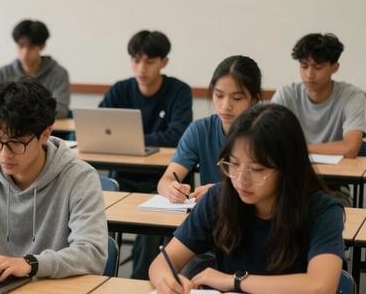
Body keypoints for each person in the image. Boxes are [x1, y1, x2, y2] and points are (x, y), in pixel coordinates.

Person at [149, 104, 345, 294]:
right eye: (233, 164)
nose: (241, 180)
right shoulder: (219, 198)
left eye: (257, 170)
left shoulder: (322, 210)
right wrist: (165, 280)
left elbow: (320, 287)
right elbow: (164, 261)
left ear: (287, 168)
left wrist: (234, 281)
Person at [0, 79, 107, 279]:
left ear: (45, 134)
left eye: (17, 143)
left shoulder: (79, 178)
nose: (5, 155)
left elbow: (93, 254)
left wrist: (31, 264)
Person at [98, 29, 192, 280]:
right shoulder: (120, 90)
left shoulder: (178, 91)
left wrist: (128, 139)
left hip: (163, 180)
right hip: (123, 177)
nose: (141, 67)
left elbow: (178, 135)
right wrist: (140, 140)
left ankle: (141, 281)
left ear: (164, 62)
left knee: (150, 228)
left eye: (149, 61)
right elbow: (98, 127)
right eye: (136, 60)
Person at [158, 55, 263, 203]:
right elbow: (165, 181)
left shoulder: (266, 133)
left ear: (254, 100)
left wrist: (219, 191)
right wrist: (171, 189)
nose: (226, 105)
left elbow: (271, 187)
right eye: (219, 95)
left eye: (237, 98)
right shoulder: (200, 130)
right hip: (211, 215)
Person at [271, 33, 366, 158]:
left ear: (335, 67)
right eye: (304, 66)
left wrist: (300, 149)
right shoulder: (286, 95)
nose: (309, 75)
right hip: (295, 169)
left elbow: (350, 148)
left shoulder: (352, 97)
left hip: (339, 171)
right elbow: (267, 140)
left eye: (318, 67)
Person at [0, 19, 70, 119]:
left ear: (42, 47)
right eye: (21, 46)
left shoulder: (59, 74)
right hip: (8, 130)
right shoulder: (3, 73)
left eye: (31, 47)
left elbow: (61, 110)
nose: (25, 53)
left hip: (46, 130)